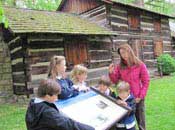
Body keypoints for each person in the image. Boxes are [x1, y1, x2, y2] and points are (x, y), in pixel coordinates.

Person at [108, 43, 150, 130]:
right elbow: (115, 81)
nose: (124, 55)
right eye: (121, 53)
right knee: (126, 122)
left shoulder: (140, 65)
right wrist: (111, 73)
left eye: (125, 52)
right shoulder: (120, 67)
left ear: (130, 51)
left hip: (137, 98)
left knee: (141, 123)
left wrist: (140, 96)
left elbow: (146, 82)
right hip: (124, 98)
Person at [25, 79, 95, 130]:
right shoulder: (47, 112)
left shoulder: (34, 103)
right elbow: (68, 124)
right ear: (47, 95)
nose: (57, 98)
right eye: (56, 95)